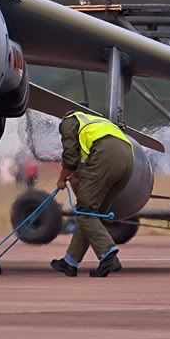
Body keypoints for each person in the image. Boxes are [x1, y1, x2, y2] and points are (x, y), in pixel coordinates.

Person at [51, 111, 134, 278]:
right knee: (92, 215)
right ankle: (70, 262)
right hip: (128, 158)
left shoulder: (68, 121)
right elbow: (88, 151)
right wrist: (80, 171)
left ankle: (108, 254)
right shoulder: (93, 122)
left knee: (85, 211)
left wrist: (61, 179)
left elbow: (70, 157)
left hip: (107, 155)